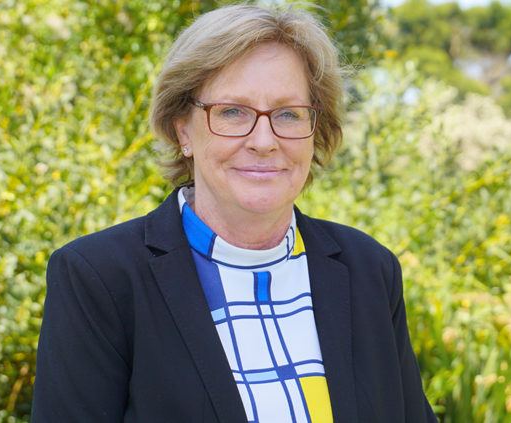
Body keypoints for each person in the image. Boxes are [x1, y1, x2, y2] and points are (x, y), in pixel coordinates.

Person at [31, 4, 436, 422]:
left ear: (316, 129)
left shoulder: (369, 270)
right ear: (183, 130)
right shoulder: (99, 279)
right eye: (232, 111)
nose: (264, 140)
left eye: (288, 114)